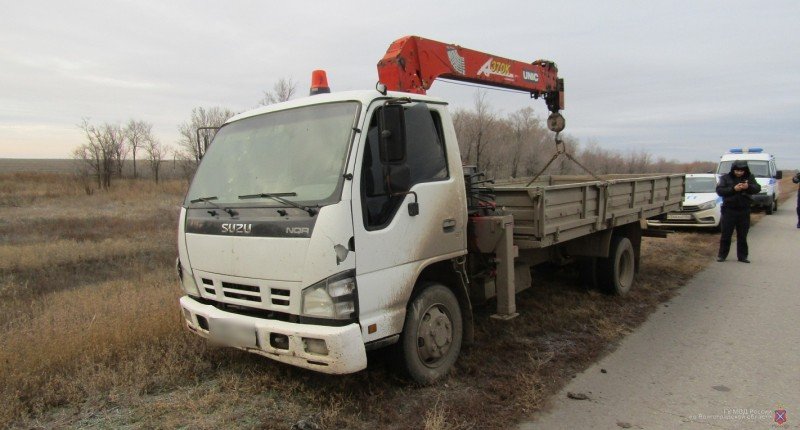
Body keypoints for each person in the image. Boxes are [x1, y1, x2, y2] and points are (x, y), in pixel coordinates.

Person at [716, 160, 761, 263]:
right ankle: (722, 255)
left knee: (742, 235)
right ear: (733, 170)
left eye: (741, 171)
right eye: (737, 170)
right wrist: (734, 189)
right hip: (729, 210)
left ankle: (742, 257)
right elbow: (720, 191)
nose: (739, 173)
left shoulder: (749, 177)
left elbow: (757, 188)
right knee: (726, 235)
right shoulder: (725, 178)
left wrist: (748, 187)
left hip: (744, 210)